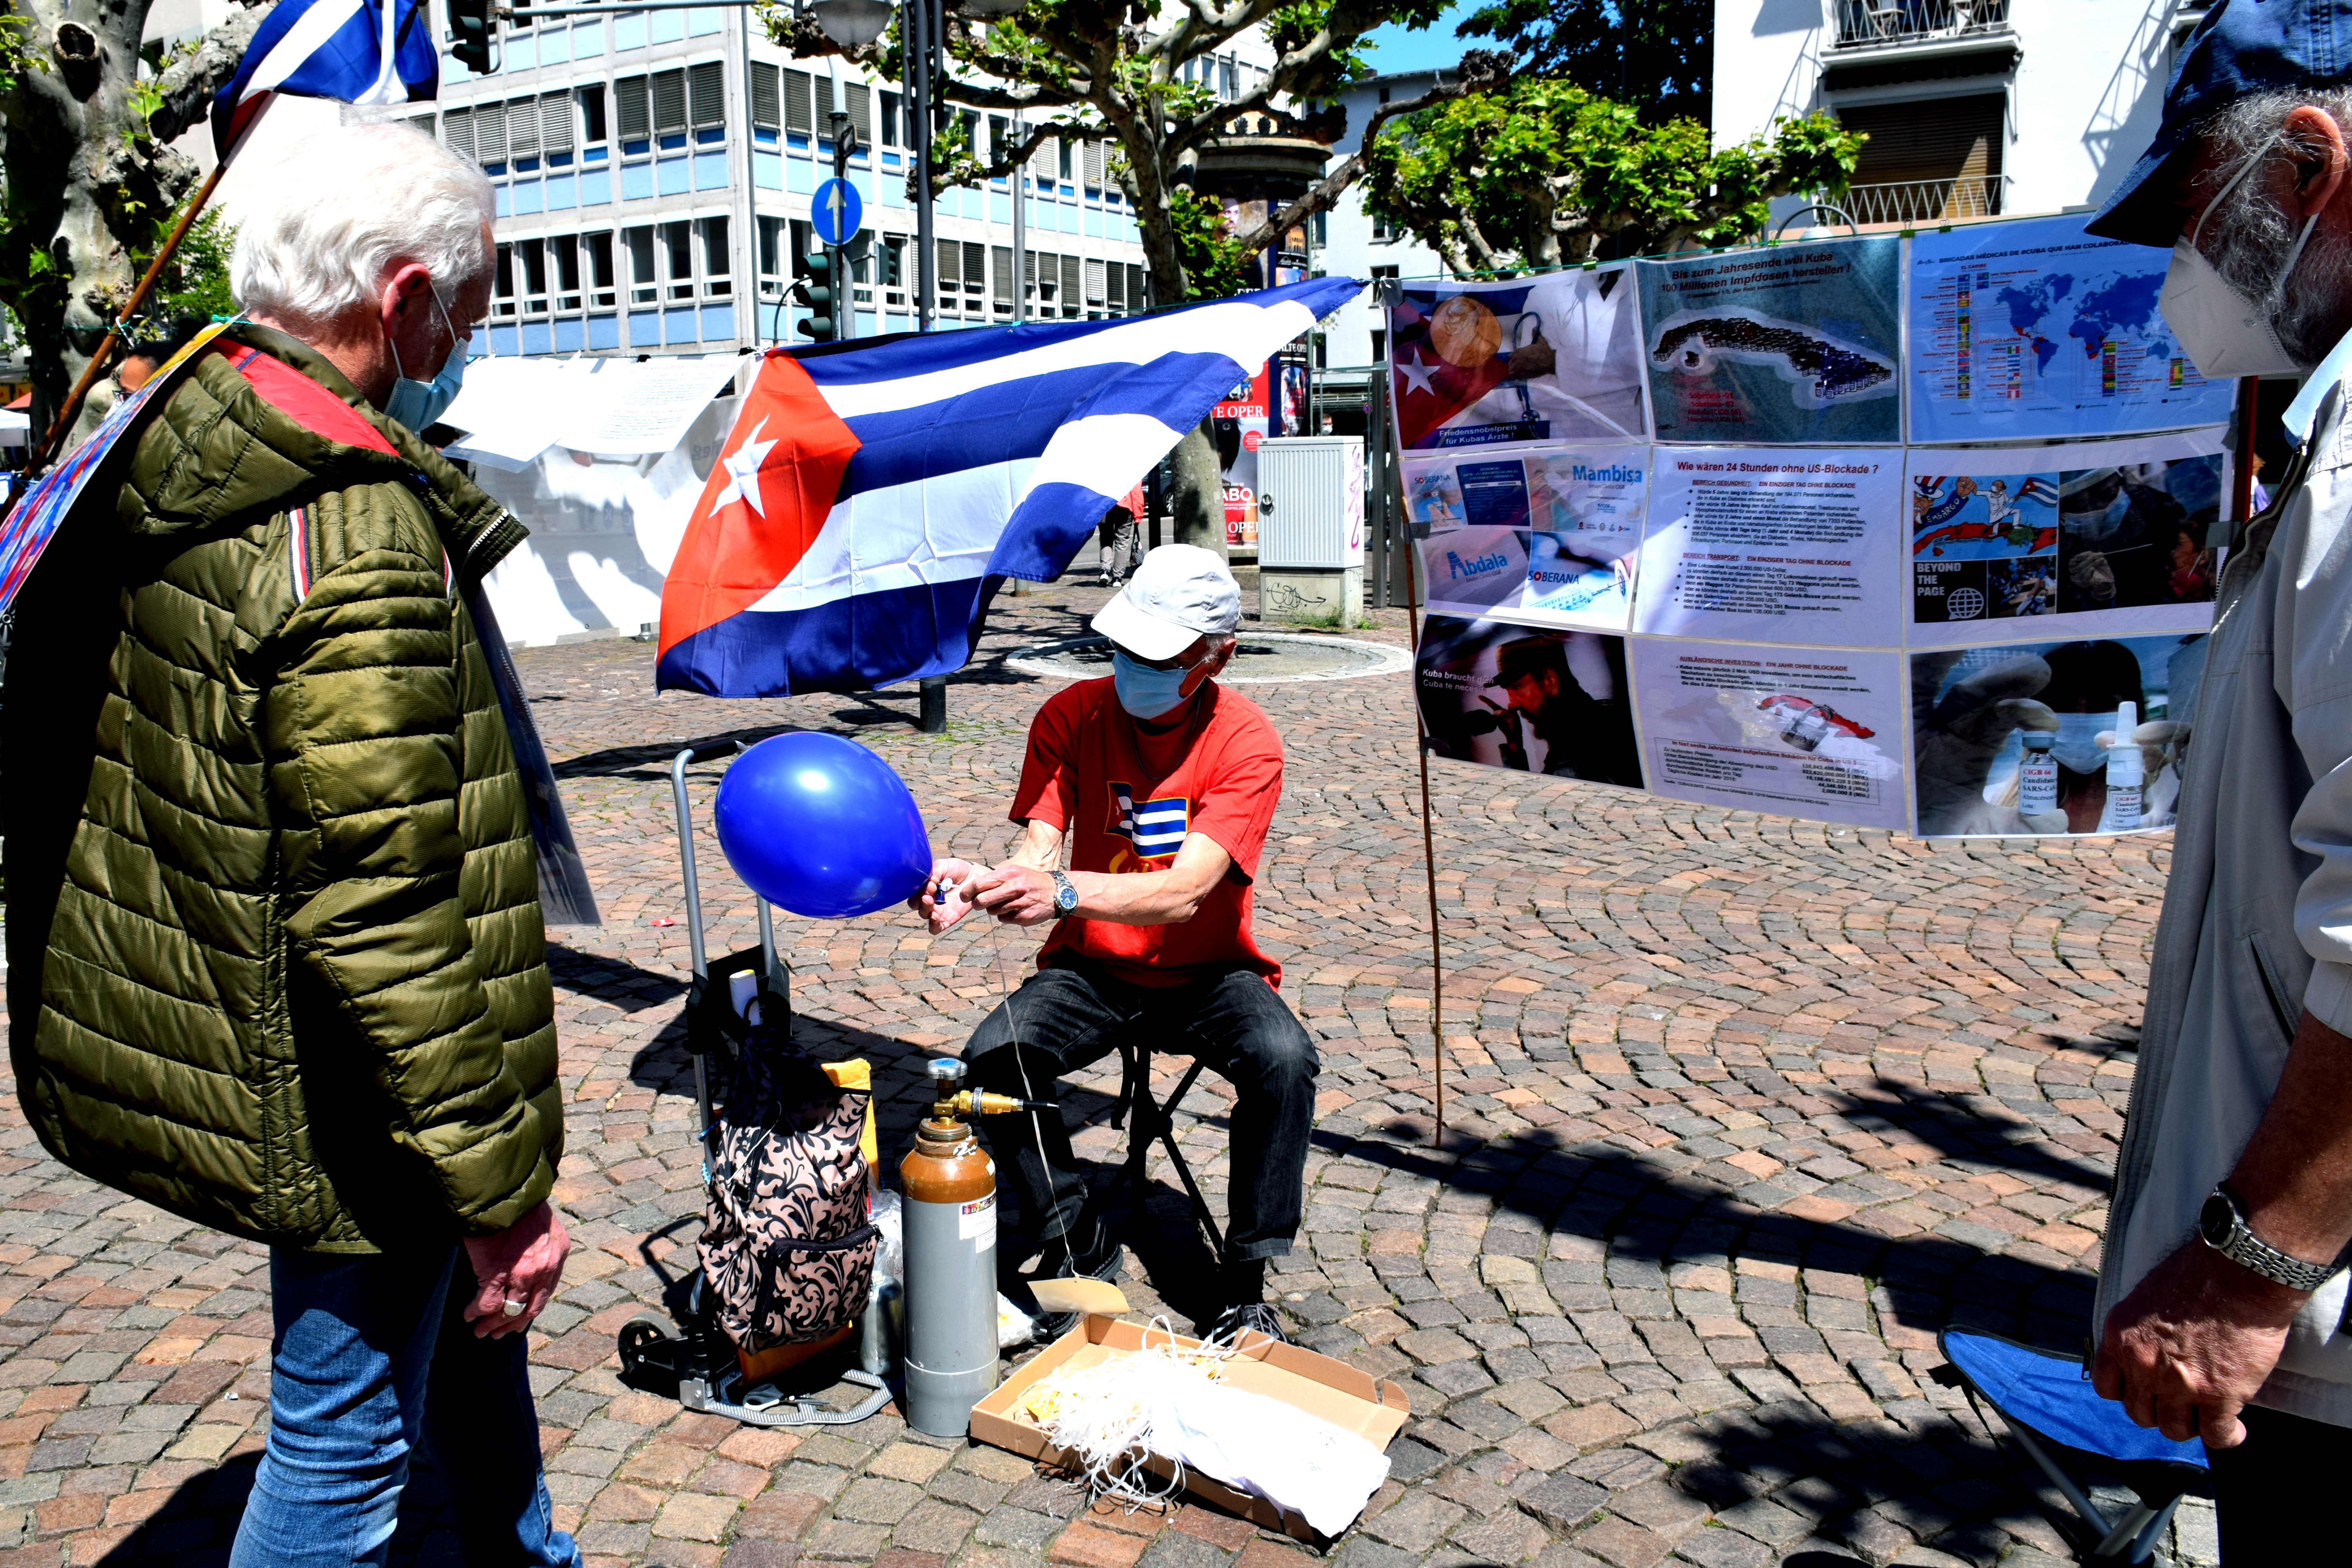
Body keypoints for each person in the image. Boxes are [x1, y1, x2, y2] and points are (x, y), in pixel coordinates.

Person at [1, 124, 577, 1568]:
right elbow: (378, 905)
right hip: (358, 1088)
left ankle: (525, 1555)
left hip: (288, 1036)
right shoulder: (350, 517)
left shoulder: (175, 428)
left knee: (468, 1352)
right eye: (477, 297)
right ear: (402, 303)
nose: (474, 331)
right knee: (342, 1445)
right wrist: (502, 1189)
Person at [2081, 2, 2352, 1553]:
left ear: (2305, 164)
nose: (2184, 266)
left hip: (2315, 1335)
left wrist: (2252, 1267)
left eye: (2193, 213)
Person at [909, 544, 1316, 1345]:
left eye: (1155, 654)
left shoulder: (1247, 742)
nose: (1132, 665)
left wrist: (1063, 889)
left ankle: (1245, 1278)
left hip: (1209, 969)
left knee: (1284, 1059)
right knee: (993, 1059)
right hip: (1092, 966)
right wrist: (984, 880)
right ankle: (1077, 1243)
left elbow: (1184, 891)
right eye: (1125, 645)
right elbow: (1038, 845)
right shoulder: (1070, 715)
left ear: (1217, 655)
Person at [1479, 633, 1642, 786]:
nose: (1513, 704)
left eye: (1517, 687)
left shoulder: (1572, 754)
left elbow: (1537, 804)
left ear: (1550, 679)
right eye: (1508, 691)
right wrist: (1515, 745)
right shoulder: (1598, 715)